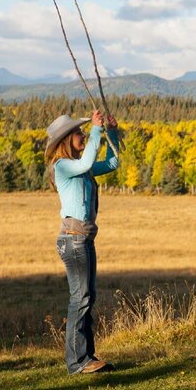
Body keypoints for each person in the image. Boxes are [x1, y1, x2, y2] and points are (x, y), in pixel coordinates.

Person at [45, 110, 119, 374]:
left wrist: (112, 133)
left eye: (84, 131)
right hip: (73, 240)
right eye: (79, 132)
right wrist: (98, 130)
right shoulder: (63, 166)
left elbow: (111, 164)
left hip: (84, 239)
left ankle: (86, 356)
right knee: (81, 297)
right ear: (66, 138)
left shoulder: (79, 167)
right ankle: (77, 362)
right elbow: (88, 162)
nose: (83, 134)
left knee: (88, 297)